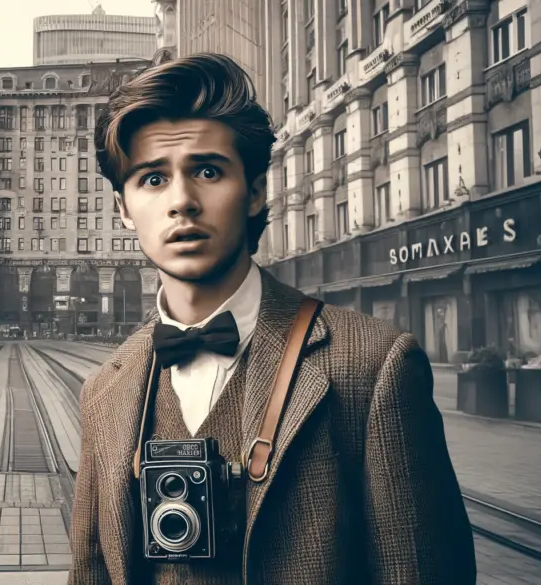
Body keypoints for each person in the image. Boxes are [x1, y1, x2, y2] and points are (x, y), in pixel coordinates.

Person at [67, 53, 476, 584]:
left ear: (257, 191)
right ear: (123, 209)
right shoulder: (104, 391)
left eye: (208, 171)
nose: (182, 202)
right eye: (152, 179)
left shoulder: (375, 368)